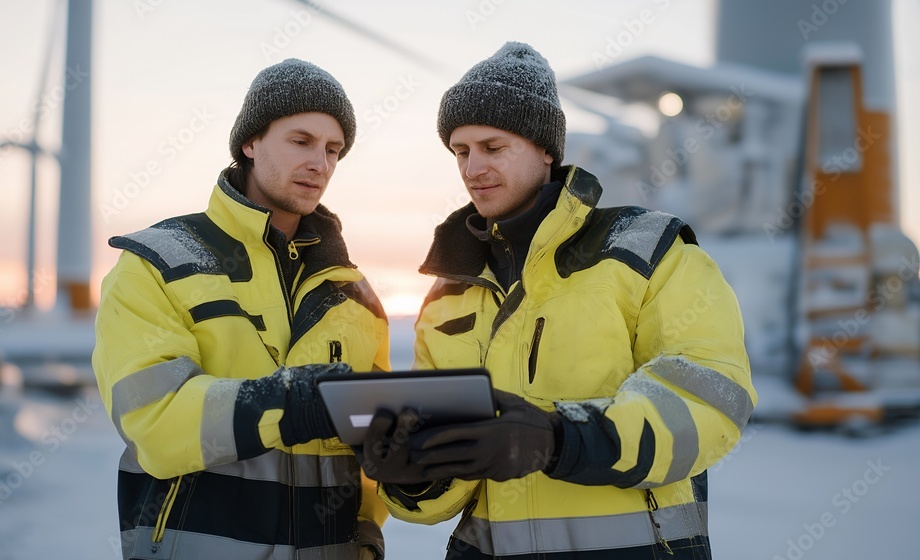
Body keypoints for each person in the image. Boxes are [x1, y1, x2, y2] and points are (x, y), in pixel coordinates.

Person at [359, 42, 757, 559]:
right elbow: (442, 496)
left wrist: (560, 439)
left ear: (545, 148)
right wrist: (413, 473)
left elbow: (710, 394)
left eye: (492, 147)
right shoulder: (449, 291)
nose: (472, 168)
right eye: (461, 151)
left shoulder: (646, 250)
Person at [93, 59, 391, 560]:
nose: (320, 163)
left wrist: (366, 536)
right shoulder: (160, 263)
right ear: (250, 143)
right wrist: (290, 403)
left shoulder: (355, 295)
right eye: (302, 141)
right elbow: (156, 421)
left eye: (333, 149)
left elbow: (368, 448)